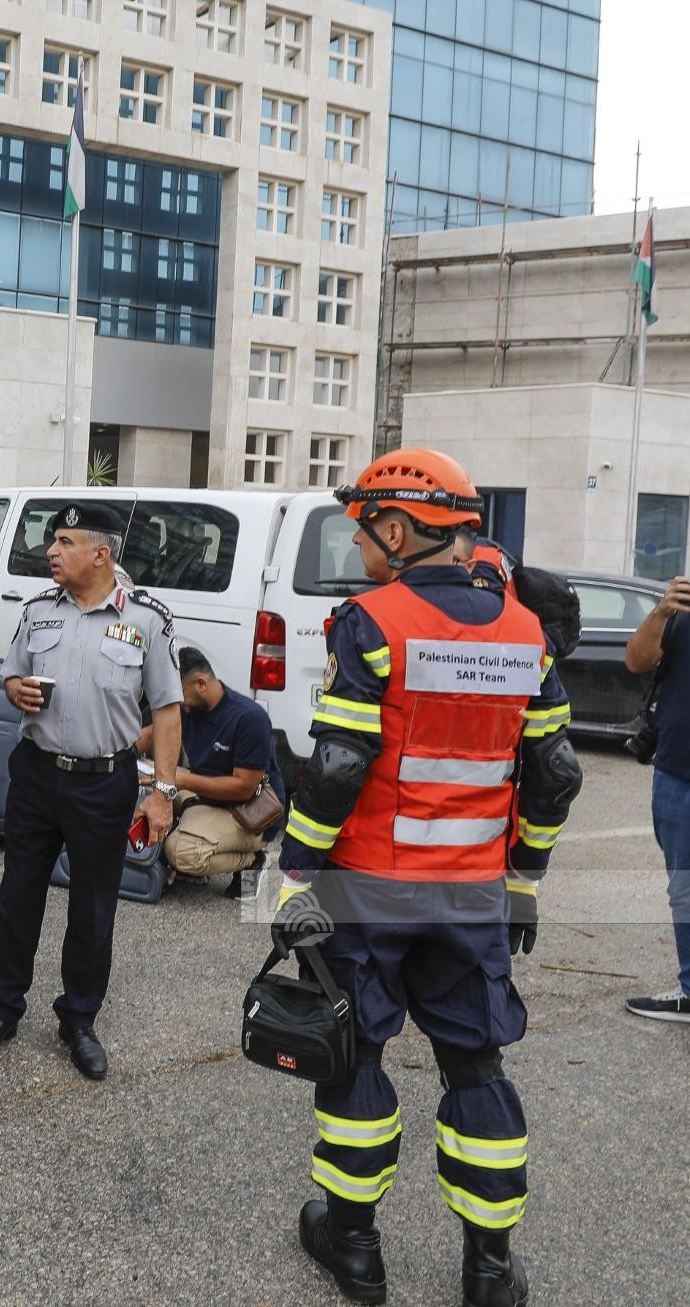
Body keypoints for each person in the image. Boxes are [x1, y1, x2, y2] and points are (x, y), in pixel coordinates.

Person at [271, 450, 580, 1307]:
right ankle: (488, 1267)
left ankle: (355, 1247)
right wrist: (526, 877)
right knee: (475, 1066)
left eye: (363, 528)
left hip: (368, 887)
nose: (362, 544)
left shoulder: (372, 619)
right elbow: (555, 770)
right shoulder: (525, 630)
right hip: (473, 893)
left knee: (358, 1055)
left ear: (398, 531)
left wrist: (296, 875)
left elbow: (336, 767)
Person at [0, 501, 181, 1082]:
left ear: (100, 554)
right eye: (52, 541)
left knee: (92, 908)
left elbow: (167, 709)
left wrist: (162, 792)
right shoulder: (37, 611)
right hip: (36, 775)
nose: (51, 552)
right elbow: (11, 671)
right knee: (17, 900)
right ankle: (0, 1012)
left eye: (64, 541)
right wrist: (15, 690)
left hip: (103, 783)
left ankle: (79, 1020)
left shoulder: (148, 621)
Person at [156, 645, 286, 901]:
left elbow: (244, 788)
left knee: (180, 851)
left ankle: (252, 861)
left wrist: (181, 779)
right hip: (209, 798)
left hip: (250, 812)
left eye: (180, 692)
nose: (178, 700)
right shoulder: (192, 709)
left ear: (201, 683)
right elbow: (154, 734)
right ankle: (196, 837)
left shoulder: (249, 719)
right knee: (147, 800)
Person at [623, 573, 690, 1022]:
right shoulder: (680, 615)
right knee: (684, 890)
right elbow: (636, 660)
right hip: (677, 772)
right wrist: (661, 611)